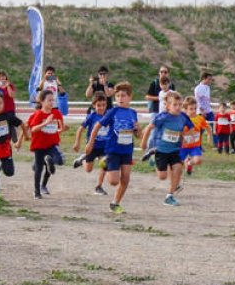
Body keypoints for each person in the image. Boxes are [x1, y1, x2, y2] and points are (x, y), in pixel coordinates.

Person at [88, 82, 140, 213]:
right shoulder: (113, 111)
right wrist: (90, 142)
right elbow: (97, 126)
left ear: (130, 97)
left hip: (127, 150)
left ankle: (115, 203)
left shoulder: (133, 113)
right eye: (117, 96)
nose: (120, 98)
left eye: (123, 96)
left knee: (126, 178)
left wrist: (138, 130)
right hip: (113, 149)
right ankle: (105, 162)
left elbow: (138, 135)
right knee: (113, 181)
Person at [139, 91, 193, 207]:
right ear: (168, 106)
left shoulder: (183, 117)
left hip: (174, 149)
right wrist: (143, 143)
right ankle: (153, 156)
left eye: (180, 104)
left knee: (178, 169)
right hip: (161, 149)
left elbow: (189, 127)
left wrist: (182, 137)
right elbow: (149, 128)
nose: (178, 107)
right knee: (162, 176)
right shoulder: (162, 117)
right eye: (175, 105)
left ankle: (170, 196)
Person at [27, 90, 66, 199]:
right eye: (49, 100)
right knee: (39, 168)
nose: (51, 102)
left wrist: (60, 129)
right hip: (39, 145)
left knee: (59, 160)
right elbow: (33, 129)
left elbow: (61, 127)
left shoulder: (56, 113)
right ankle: (37, 191)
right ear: (42, 102)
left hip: (52, 144)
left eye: (53, 100)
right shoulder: (39, 114)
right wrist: (46, 123)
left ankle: (49, 163)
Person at [73, 93, 111, 195]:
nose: (101, 107)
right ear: (94, 105)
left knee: (105, 164)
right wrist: (77, 143)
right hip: (92, 146)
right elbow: (80, 129)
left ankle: (98, 186)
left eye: (103, 105)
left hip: (104, 147)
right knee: (88, 169)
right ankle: (83, 160)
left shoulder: (109, 116)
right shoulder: (91, 117)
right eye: (99, 105)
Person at [180, 96, 208, 176]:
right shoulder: (181, 119)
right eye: (191, 109)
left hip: (195, 146)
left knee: (198, 161)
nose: (194, 111)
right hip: (183, 146)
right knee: (178, 166)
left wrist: (209, 134)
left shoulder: (199, 118)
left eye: (195, 108)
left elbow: (206, 126)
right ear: (185, 109)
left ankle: (189, 162)